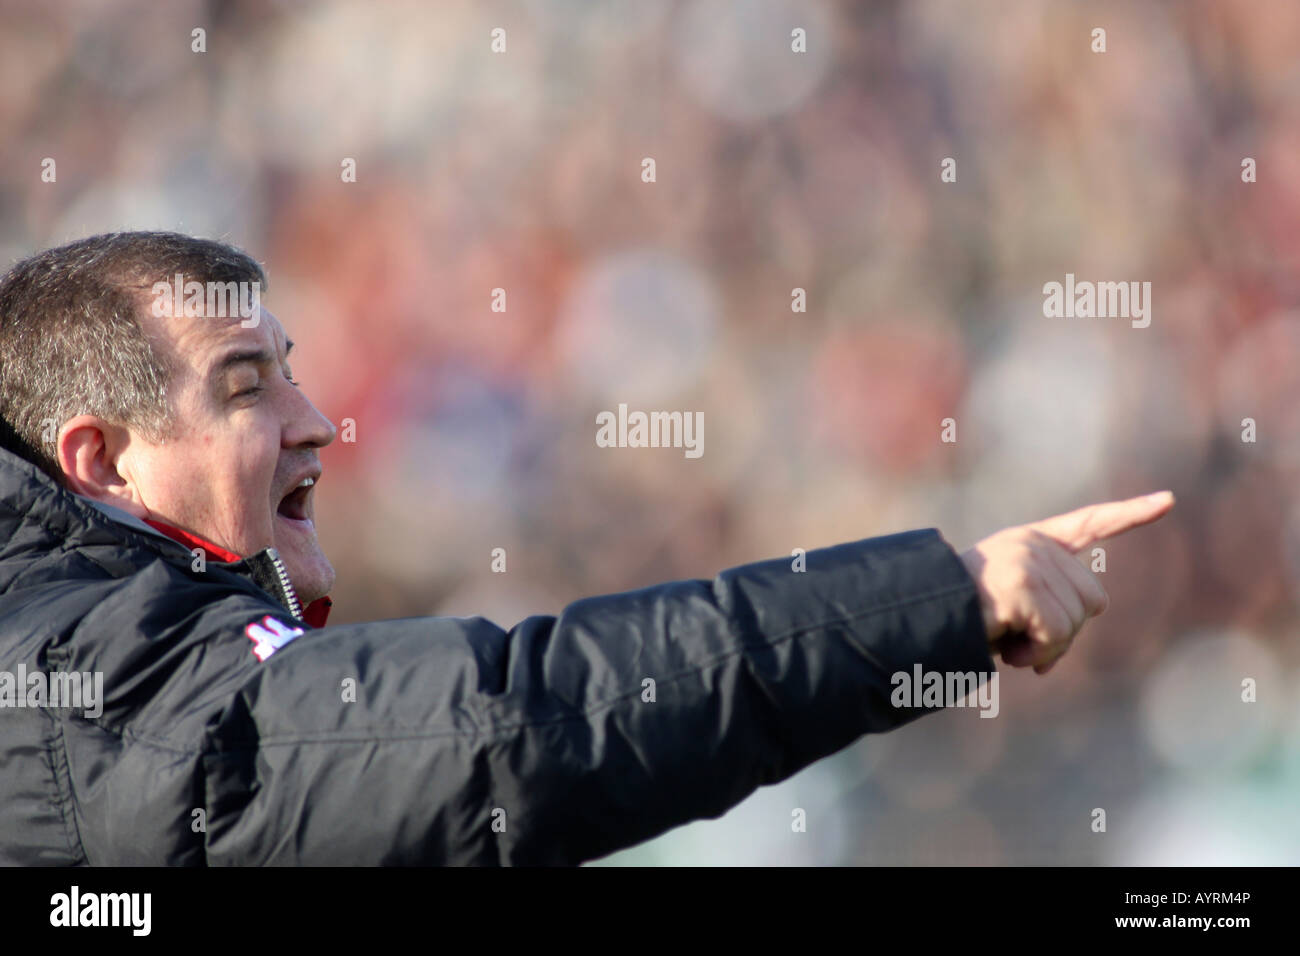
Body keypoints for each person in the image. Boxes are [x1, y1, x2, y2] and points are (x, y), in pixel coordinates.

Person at [0, 232, 1174, 865]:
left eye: (293, 365)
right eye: (247, 385)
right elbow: (505, 735)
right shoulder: (82, 678)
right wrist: (935, 599)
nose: (314, 418)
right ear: (102, 462)